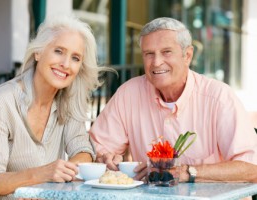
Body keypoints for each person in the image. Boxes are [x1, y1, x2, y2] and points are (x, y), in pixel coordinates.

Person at [0, 15, 108, 199]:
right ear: (38, 53)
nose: (66, 64)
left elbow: (83, 151)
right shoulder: (0, 102)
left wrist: (61, 173)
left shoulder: (68, 101)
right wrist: (44, 175)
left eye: (75, 58)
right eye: (58, 51)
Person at [90, 17, 257, 183]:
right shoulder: (129, 94)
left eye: (166, 52)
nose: (156, 62)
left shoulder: (219, 97)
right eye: (149, 54)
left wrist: (186, 172)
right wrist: (106, 159)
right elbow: (96, 149)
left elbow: (251, 168)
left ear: (188, 55)